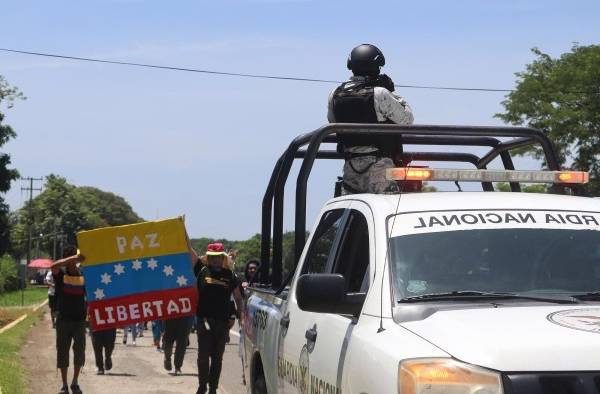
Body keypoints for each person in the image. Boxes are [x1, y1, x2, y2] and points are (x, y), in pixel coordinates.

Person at [327, 43, 414, 195]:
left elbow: (333, 122)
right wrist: (391, 91)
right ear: (375, 67)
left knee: (350, 212)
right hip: (379, 167)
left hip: (350, 167)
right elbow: (407, 119)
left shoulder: (335, 94)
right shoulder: (380, 93)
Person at [192, 242, 245, 394]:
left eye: (218, 258)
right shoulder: (202, 271)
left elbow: (238, 298)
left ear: (223, 258)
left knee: (217, 358)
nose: (215, 261)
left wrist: (241, 317)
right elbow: (191, 253)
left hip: (222, 323)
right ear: (208, 258)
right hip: (204, 321)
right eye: (212, 257)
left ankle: (213, 388)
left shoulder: (230, 275)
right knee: (203, 356)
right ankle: (202, 386)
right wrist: (182, 229)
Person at [51, 246, 86, 394]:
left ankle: (75, 382)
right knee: (63, 352)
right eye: (71, 258)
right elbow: (54, 266)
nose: (74, 262)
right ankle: (64, 385)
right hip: (63, 320)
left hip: (79, 321)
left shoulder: (83, 275)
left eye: (75, 258)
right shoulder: (61, 275)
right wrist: (74, 258)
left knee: (79, 352)